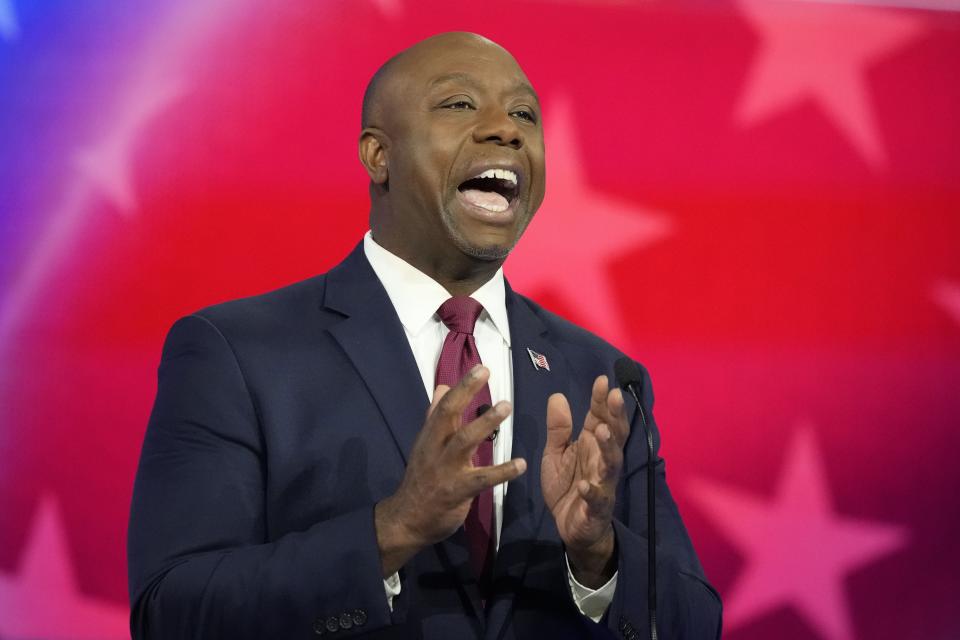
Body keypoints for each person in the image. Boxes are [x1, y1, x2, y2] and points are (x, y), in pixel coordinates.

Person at [128, 32, 721, 639]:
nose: (507, 131)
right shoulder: (236, 354)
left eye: (523, 114)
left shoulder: (602, 377)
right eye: (460, 104)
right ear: (377, 156)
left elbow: (692, 625)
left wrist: (598, 555)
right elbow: (171, 613)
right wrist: (396, 528)